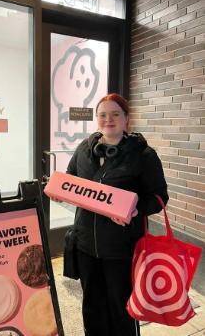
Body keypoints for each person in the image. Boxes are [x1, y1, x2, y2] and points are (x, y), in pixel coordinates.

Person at [64, 93, 169, 336]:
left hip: (121, 248)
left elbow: (159, 197)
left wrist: (135, 209)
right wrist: (61, 190)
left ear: (126, 119)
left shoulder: (143, 155)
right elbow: (70, 177)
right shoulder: (84, 148)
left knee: (120, 306)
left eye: (115, 114)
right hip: (86, 244)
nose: (108, 119)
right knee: (91, 305)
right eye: (102, 115)